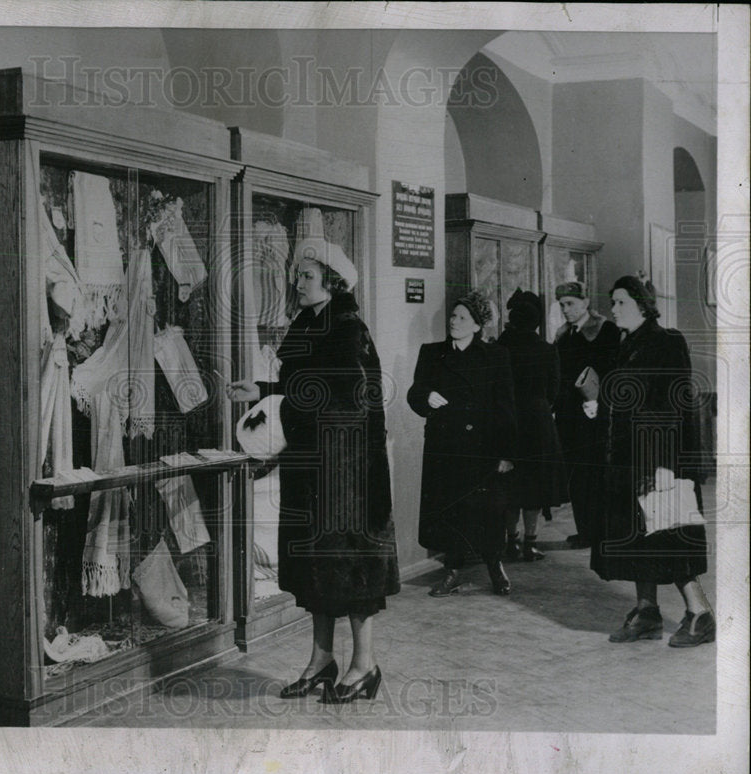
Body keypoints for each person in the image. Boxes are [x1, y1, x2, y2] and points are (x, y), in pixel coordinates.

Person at [226, 237, 400, 703]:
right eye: (297, 274)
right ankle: (322, 662)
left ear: (332, 280)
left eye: (306, 275)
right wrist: (262, 389)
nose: (296, 282)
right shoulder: (308, 323)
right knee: (313, 570)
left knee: (353, 570)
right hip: (312, 468)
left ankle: (365, 666)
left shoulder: (347, 329)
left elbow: (347, 403)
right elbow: (300, 387)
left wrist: (285, 403)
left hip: (348, 474)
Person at [591, 275, 714, 647]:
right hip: (627, 461)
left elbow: (675, 406)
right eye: (612, 303)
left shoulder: (666, 342)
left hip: (658, 460)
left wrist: (664, 466)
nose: (613, 310)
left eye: (621, 303)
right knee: (636, 538)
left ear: (643, 305)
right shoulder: (624, 344)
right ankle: (647, 612)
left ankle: (701, 613)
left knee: (668, 536)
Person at [407, 290, 517, 597]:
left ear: (478, 325)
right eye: (453, 316)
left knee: (489, 511)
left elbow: (506, 407)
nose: (454, 322)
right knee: (448, 510)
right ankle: (452, 572)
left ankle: (495, 568)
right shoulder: (432, 353)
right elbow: (415, 391)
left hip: (482, 447)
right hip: (444, 446)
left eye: (462, 318)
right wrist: (426, 396)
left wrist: (506, 453)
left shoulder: (495, 356)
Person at [497, 289, 568, 562]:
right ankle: (530, 543)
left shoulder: (501, 348)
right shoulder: (547, 350)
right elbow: (554, 390)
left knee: (510, 484)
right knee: (534, 488)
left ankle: (510, 541)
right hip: (538, 423)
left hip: (508, 420)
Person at [552, 281, 620, 549]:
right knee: (577, 475)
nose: (565, 309)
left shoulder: (606, 330)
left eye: (570, 304)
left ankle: (602, 531)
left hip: (595, 413)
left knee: (596, 473)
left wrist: (601, 403)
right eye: (562, 305)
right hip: (569, 416)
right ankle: (585, 531)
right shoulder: (563, 334)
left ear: (585, 302)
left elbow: (614, 372)